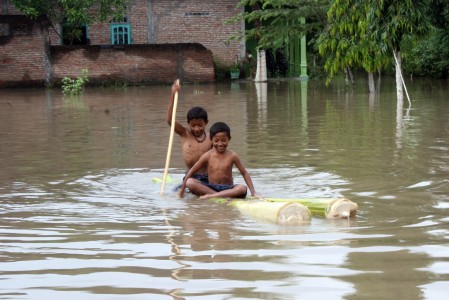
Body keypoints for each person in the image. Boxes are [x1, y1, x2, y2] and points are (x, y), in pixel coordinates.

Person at [179, 122, 260, 200]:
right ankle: (217, 195)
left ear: (229, 139)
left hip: (228, 188)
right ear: (211, 140)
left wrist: (253, 192)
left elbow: (244, 173)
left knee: (242, 188)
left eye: (223, 140)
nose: (220, 144)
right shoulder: (207, 155)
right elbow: (192, 171)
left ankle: (212, 196)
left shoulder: (232, 155)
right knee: (190, 182)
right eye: (216, 141)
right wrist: (182, 190)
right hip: (211, 187)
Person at [167, 80, 212, 184]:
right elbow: (170, 120)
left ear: (206, 123)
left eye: (200, 125)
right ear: (188, 124)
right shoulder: (185, 134)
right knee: (190, 185)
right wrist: (173, 95)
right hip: (191, 177)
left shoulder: (212, 138)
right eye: (193, 125)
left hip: (209, 177)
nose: (196, 129)